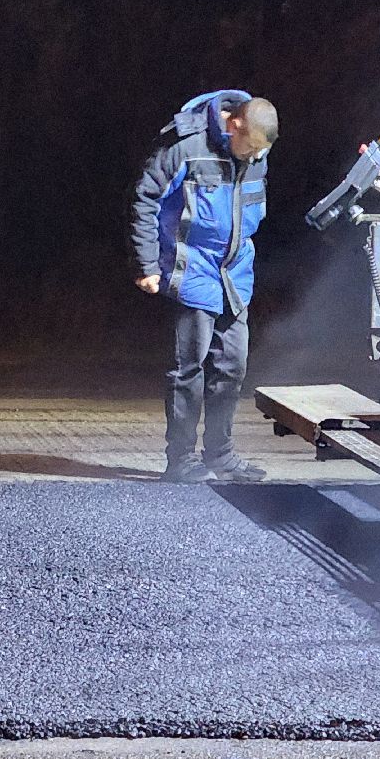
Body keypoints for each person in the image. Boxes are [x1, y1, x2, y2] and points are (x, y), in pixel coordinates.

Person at [129, 89, 278, 484]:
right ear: (234, 124)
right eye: (251, 148)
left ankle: (221, 455)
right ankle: (180, 460)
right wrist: (148, 264)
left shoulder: (256, 152)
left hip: (235, 276)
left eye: (261, 153)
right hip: (192, 271)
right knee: (188, 370)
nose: (255, 158)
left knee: (233, 368)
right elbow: (145, 200)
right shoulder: (186, 149)